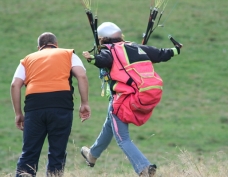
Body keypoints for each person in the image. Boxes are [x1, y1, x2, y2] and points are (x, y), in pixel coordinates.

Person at [80, 22, 179, 177]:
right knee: (109, 124)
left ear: (102, 39)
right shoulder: (136, 47)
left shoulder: (109, 50)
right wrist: (176, 50)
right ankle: (92, 155)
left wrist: (92, 59)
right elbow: (161, 54)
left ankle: (144, 168)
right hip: (143, 95)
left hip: (123, 100)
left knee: (122, 139)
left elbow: (103, 61)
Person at [10, 32, 91, 177]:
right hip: (61, 105)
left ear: (39, 47)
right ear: (56, 45)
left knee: (29, 151)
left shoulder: (27, 59)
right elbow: (82, 75)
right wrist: (84, 103)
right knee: (57, 151)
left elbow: (15, 85)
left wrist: (18, 114)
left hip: (34, 107)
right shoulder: (68, 54)